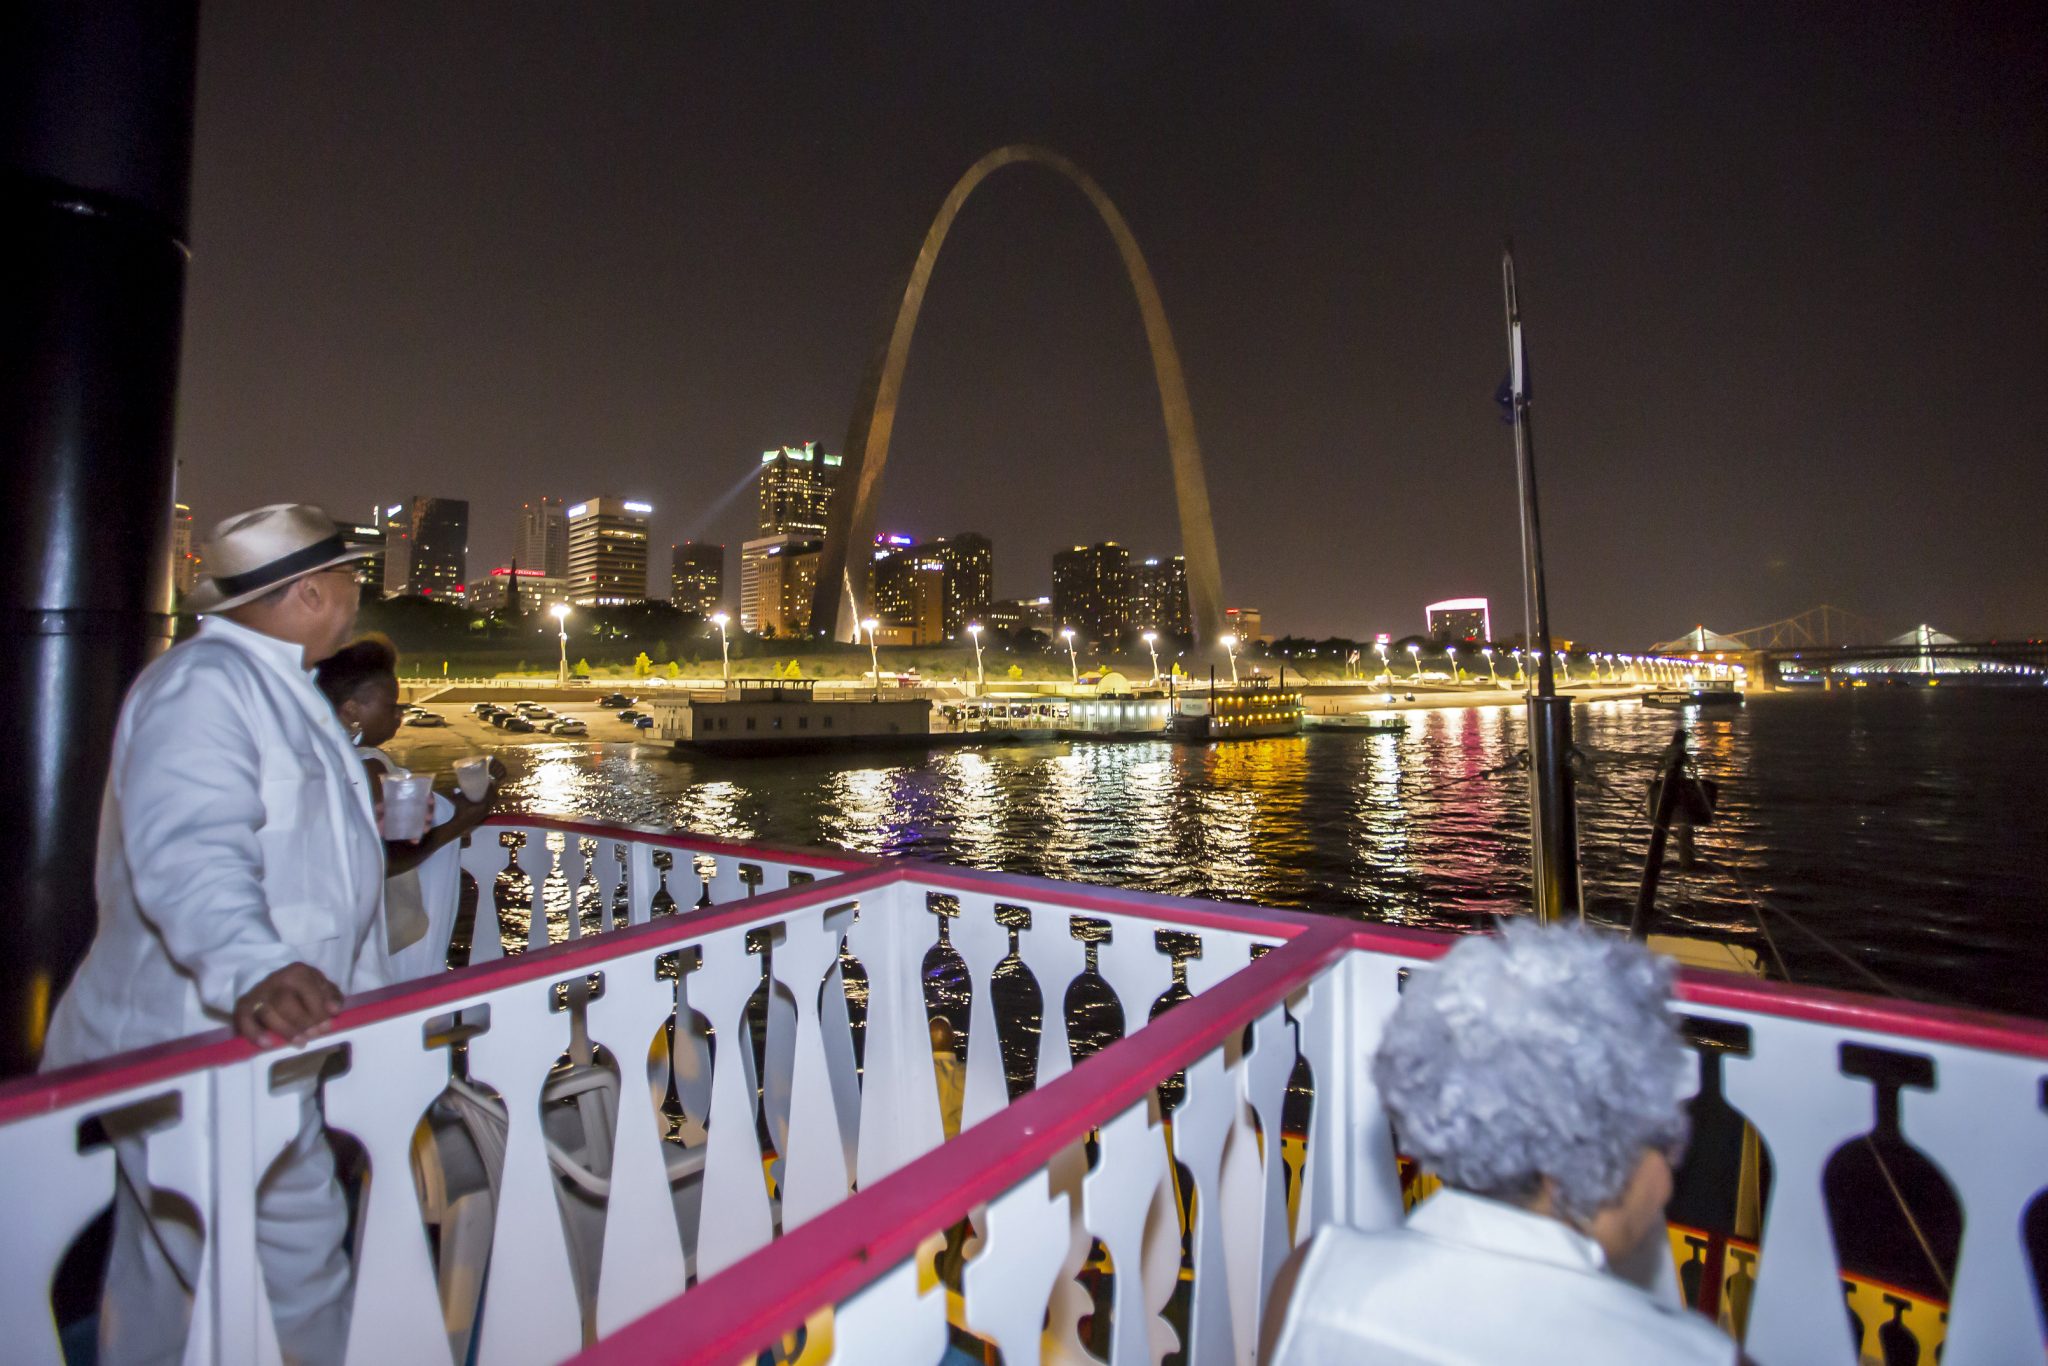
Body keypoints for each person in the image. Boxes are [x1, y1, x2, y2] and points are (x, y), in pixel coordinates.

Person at [42, 504, 386, 1366]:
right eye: (349, 577)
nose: (356, 595)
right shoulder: (205, 686)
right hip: (208, 1040)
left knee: (163, 1279)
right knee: (298, 1276)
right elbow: (191, 849)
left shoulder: (268, 684)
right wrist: (255, 968)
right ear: (308, 591)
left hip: (227, 1043)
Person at [1260, 922, 1740, 1366]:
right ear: (1579, 1163)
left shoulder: (1310, 1281)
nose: (1668, 1172)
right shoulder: (1695, 1355)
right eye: (1659, 1137)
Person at [313, 635, 499, 975]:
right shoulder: (369, 766)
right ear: (352, 709)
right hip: (400, 931)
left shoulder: (330, 759)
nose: (399, 715)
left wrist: (455, 800)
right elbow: (388, 857)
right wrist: (462, 821)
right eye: (391, 706)